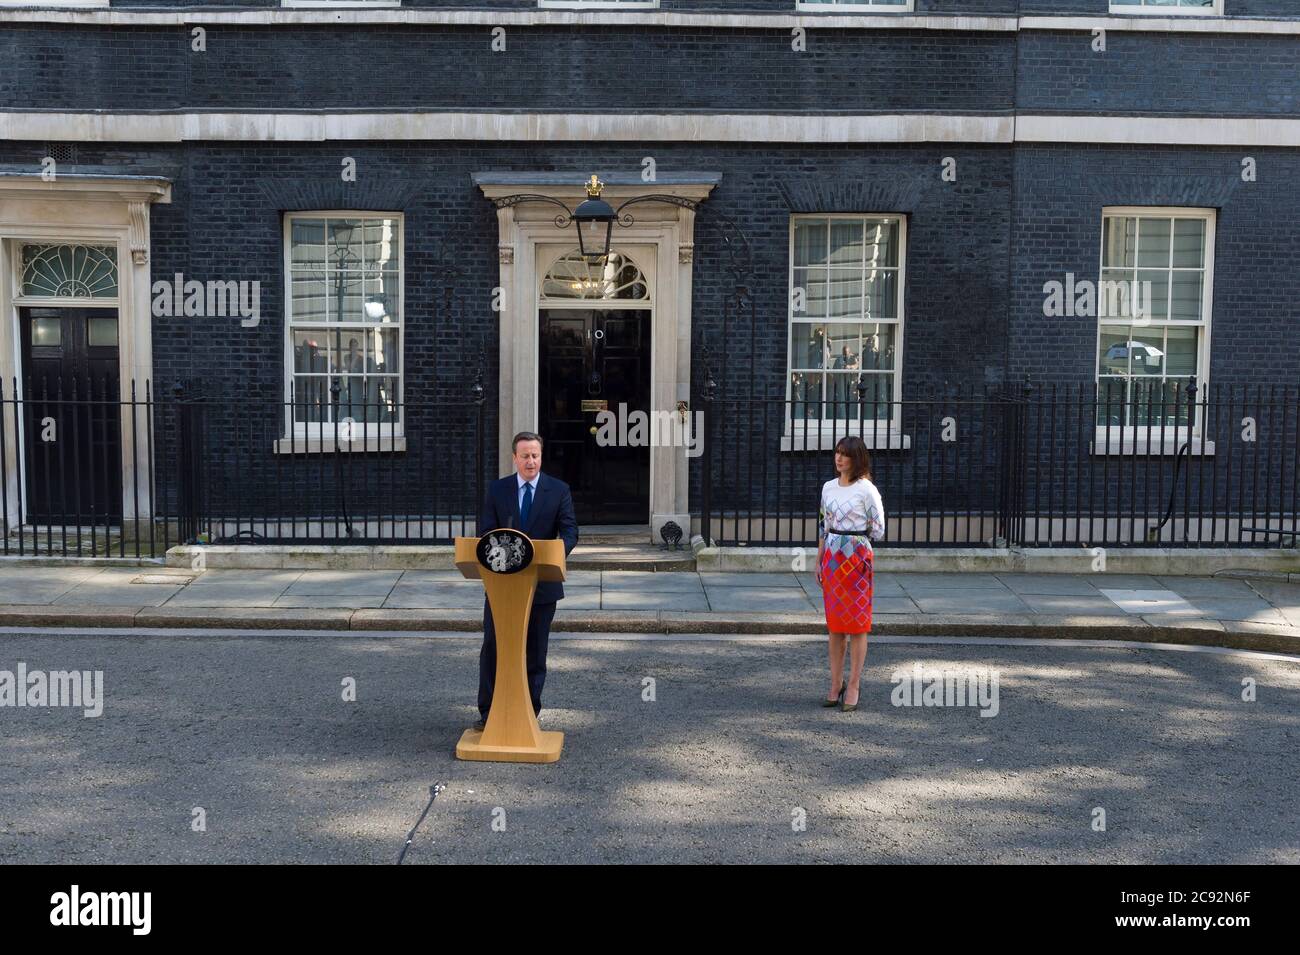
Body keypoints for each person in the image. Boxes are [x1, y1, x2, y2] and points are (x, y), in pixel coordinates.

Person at [474, 431, 579, 730]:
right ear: (514, 458)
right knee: (494, 647)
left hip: (542, 586)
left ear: (541, 457)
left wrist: (556, 554)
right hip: (502, 587)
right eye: (525, 456)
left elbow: (570, 532)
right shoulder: (498, 490)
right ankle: (488, 713)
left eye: (535, 455)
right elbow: (485, 533)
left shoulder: (558, 490)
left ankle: (528, 713)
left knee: (535, 650)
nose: (530, 461)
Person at [816, 435, 885, 712]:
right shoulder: (828, 488)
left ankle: (854, 684)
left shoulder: (866, 489)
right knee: (835, 626)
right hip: (832, 558)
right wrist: (819, 560)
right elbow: (824, 525)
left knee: (857, 625)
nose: (839, 458)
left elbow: (878, 528)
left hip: (857, 560)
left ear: (857, 459)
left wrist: (855, 542)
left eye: (845, 454)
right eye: (837, 453)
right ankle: (836, 683)